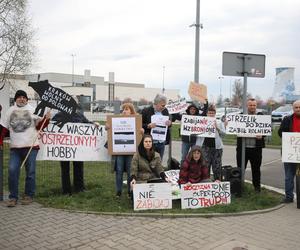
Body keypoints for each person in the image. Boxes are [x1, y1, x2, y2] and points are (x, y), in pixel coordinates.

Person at [0, 90, 50, 207]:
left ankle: (29, 195)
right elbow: (3, 128)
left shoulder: (33, 110)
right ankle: (13, 197)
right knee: (12, 171)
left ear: (27, 99)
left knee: (30, 173)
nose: (22, 99)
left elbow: (39, 125)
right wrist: (0, 141)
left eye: (24, 97)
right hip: (15, 148)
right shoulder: (10, 111)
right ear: (15, 99)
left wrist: (46, 119)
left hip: (30, 147)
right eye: (19, 97)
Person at [52, 107, 98, 195]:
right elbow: (51, 125)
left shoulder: (79, 115)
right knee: (65, 169)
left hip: (77, 148)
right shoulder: (59, 115)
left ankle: (79, 188)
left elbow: (87, 124)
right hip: (64, 148)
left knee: (79, 167)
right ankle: (66, 190)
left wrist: (93, 124)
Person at [105, 102, 143, 198]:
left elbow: (140, 136)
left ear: (131, 111)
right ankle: (118, 191)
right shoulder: (116, 120)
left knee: (131, 171)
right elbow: (110, 132)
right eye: (123, 109)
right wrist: (108, 127)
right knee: (119, 170)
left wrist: (142, 132)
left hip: (131, 152)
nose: (125, 111)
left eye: (127, 109)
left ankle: (130, 192)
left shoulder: (136, 121)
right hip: (119, 151)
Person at [236, 98, 265, 192]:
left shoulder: (261, 117)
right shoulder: (240, 116)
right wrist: (227, 124)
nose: (252, 107)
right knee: (240, 169)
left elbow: (267, 129)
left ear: (256, 106)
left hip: (256, 149)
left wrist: (262, 135)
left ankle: (257, 188)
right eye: (250, 105)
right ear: (247, 106)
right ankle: (239, 189)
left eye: (254, 105)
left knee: (256, 169)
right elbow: (232, 127)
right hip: (242, 149)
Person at [196, 104, 226, 180]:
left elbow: (224, 134)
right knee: (205, 165)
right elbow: (196, 132)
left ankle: (217, 181)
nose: (211, 114)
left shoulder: (219, 122)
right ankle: (206, 181)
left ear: (215, 113)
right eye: (209, 113)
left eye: (212, 113)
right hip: (205, 147)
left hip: (217, 148)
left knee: (217, 166)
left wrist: (217, 128)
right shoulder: (202, 122)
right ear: (207, 113)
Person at [278, 100, 300, 203]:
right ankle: (289, 197)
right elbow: (280, 133)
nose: (298, 109)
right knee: (288, 176)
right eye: (296, 107)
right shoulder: (287, 119)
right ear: (293, 108)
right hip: (290, 153)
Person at [141, 94, 172, 160]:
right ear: (156, 103)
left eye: (165, 105)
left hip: (161, 142)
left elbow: (168, 124)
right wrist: (148, 126)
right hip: (150, 142)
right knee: (149, 161)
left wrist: (169, 123)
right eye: (163, 105)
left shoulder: (165, 111)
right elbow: (140, 124)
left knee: (159, 162)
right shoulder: (146, 111)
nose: (164, 107)